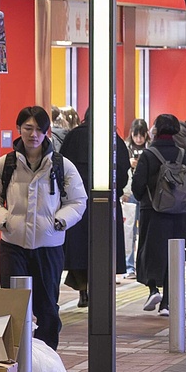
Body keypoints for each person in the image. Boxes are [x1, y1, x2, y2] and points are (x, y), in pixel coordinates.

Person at [0, 105, 86, 349]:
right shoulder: (5, 165)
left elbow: (78, 201)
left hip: (49, 247)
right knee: (12, 306)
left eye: (38, 129)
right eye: (28, 128)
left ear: (47, 132)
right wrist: (5, 221)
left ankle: (46, 360)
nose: (33, 134)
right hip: (13, 245)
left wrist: (58, 222)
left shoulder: (61, 165)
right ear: (19, 130)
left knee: (47, 308)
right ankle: (14, 360)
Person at [131, 113, 186, 314]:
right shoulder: (181, 154)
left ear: (156, 129)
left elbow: (137, 186)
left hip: (152, 212)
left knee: (150, 251)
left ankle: (153, 289)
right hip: (179, 214)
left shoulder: (148, 154)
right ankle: (167, 303)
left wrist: (146, 195)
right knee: (174, 254)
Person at [55, 108, 123, 310]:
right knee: (103, 248)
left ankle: (83, 290)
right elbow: (124, 172)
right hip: (106, 203)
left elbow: (60, 167)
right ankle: (100, 291)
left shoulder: (74, 136)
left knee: (78, 249)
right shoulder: (113, 138)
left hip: (76, 205)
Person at [123, 119, 150, 278]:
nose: (138, 139)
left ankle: (142, 265)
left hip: (146, 194)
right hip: (130, 193)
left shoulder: (150, 150)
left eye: (141, 135)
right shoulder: (126, 149)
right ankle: (129, 266)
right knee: (129, 232)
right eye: (136, 135)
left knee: (145, 231)